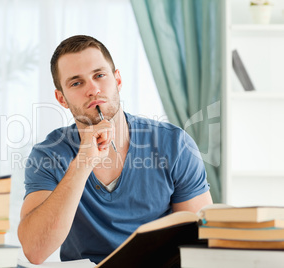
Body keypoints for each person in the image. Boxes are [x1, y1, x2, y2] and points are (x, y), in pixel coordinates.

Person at [18, 35, 213, 265]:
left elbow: (204, 242)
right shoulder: (48, 155)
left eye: (99, 75)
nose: (93, 89)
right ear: (61, 98)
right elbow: (35, 250)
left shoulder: (175, 145)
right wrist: (83, 163)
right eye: (76, 83)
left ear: (117, 80)